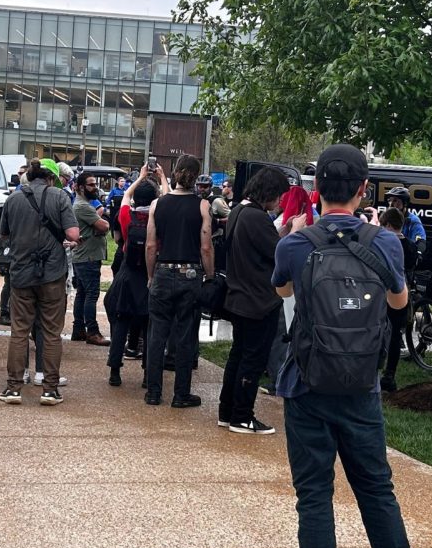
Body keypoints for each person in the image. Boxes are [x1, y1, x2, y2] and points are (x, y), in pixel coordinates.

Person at [271, 144, 417, 548]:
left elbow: (283, 293)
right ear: (363, 189)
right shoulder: (387, 243)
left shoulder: (296, 244)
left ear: (317, 190)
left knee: (314, 496)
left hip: (307, 383)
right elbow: (399, 303)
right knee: (376, 490)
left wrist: (298, 232)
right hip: (361, 386)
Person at [218, 167, 296, 435]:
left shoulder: (240, 210)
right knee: (252, 359)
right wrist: (294, 233)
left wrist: (282, 230)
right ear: (270, 193)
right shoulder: (257, 218)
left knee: (238, 356)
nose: (280, 202)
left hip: (239, 295)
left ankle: (227, 411)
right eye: (279, 196)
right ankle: (242, 416)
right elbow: (279, 254)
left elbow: (264, 246)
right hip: (258, 299)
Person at [0, 159, 78, 406]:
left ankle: (13, 388)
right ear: (51, 178)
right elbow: (73, 234)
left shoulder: (13, 199)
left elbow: (4, 234)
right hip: (52, 273)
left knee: (19, 331)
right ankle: (50, 390)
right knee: (51, 332)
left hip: (21, 273)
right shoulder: (60, 197)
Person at [144, 155, 214, 408]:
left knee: (157, 335)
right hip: (190, 273)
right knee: (185, 336)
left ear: (174, 173)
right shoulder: (202, 206)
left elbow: (151, 244)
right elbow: (206, 247)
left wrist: (151, 275)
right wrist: (210, 275)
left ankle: (153, 391)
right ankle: (181, 393)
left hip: (163, 270)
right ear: (196, 177)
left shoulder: (157, 204)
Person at [104, 171, 161, 387]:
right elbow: (166, 198)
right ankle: (148, 374)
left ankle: (115, 371)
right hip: (149, 275)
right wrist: (161, 179)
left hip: (127, 275)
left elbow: (126, 195)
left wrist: (140, 177)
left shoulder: (128, 216)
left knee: (121, 322)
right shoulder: (159, 217)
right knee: (149, 327)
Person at [71, 171, 112, 345]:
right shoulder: (83, 207)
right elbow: (104, 226)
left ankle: (78, 329)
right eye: (91, 184)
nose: (95, 187)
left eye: (95, 184)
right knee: (91, 294)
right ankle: (92, 332)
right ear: (81, 187)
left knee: (82, 293)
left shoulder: (83, 205)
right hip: (87, 257)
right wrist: (102, 222)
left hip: (84, 256)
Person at [379, 207, 416, 393]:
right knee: (395, 334)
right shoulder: (410, 245)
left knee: (377, 331)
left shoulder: (385, 243)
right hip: (402, 291)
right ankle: (389, 375)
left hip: (383, 291)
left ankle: (376, 369)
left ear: (388, 224)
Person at [385, 186, 426, 258]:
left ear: (405, 203)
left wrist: (419, 253)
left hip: (404, 256)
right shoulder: (386, 218)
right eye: (389, 200)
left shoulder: (413, 220)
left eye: (395, 200)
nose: (391, 204)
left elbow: (420, 241)